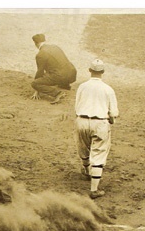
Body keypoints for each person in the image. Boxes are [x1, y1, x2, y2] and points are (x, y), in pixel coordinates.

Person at [74, 59, 119, 199]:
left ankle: (86, 170)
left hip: (81, 120)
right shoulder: (108, 89)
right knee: (98, 153)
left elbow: (77, 106)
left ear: (89, 70)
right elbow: (114, 113)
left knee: (83, 147)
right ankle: (94, 190)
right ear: (103, 72)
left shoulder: (82, 86)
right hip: (100, 123)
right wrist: (111, 118)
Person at [30, 33, 77, 104]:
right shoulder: (55, 47)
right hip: (72, 74)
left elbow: (40, 72)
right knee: (59, 69)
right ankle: (65, 85)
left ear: (35, 43)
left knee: (34, 83)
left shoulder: (40, 54)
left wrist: (37, 89)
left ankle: (57, 93)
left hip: (61, 76)